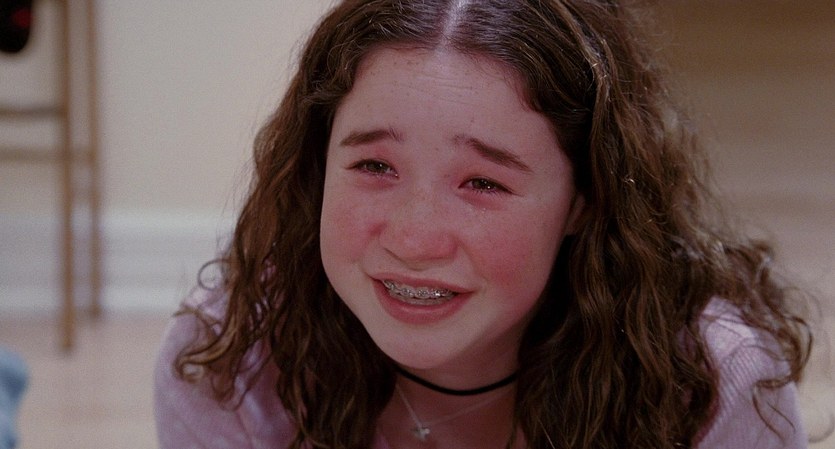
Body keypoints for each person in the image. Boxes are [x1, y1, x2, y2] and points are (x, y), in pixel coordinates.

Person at [154, 1, 816, 448]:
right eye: (374, 165)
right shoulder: (228, 359)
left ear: (585, 199)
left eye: (483, 183)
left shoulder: (713, 383)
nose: (413, 240)